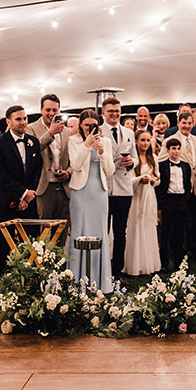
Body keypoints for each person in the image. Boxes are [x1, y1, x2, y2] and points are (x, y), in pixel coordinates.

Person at [0, 105, 43, 274]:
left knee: (31, 244)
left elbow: (37, 170)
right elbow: (0, 175)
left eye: (25, 118)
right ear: (8, 121)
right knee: (4, 246)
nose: (23, 122)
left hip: (29, 202)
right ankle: (2, 287)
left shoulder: (33, 142)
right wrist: (22, 194)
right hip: (5, 202)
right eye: (18, 119)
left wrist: (29, 194)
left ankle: (30, 282)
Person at [67, 109, 116, 292]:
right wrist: (86, 146)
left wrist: (102, 153)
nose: (89, 128)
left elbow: (110, 171)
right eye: (86, 125)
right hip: (81, 192)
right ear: (80, 125)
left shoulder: (106, 141)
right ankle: (76, 281)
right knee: (79, 232)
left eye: (93, 125)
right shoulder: (73, 141)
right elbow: (76, 165)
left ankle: (101, 282)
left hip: (99, 192)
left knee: (100, 233)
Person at [157, 111, 196, 260]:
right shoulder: (170, 141)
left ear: (193, 124)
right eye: (183, 123)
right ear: (178, 123)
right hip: (178, 191)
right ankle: (177, 253)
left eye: (189, 123)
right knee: (177, 225)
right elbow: (160, 162)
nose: (186, 126)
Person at [101, 97, 137, 277]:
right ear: (103, 113)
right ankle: (103, 268)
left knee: (120, 231)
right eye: (110, 111)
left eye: (117, 111)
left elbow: (136, 157)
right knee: (104, 230)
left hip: (124, 187)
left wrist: (131, 162)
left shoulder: (129, 132)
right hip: (105, 188)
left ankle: (117, 271)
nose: (114, 114)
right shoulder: (97, 132)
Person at [29, 94, 72, 244]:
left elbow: (73, 158)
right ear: (41, 110)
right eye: (48, 109)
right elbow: (33, 151)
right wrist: (51, 133)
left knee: (61, 231)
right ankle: (41, 265)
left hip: (64, 187)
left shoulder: (67, 131)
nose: (52, 113)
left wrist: (69, 172)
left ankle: (60, 266)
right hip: (43, 187)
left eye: (55, 109)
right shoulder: (32, 128)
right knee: (43, 233)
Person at [124, 129, 160, 276]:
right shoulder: (132, 159)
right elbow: (128, 180)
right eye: (142, 140)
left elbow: (159, 179)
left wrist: (152, 181)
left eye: (147, 140)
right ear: (136, 142)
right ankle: (134, 266)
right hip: (136, 197)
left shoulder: (154, 158)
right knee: (135, 227)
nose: (145, 143)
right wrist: (140, 179)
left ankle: (148, 265)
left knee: (148, 227)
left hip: (149, 196)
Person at [156, 138, 191, 271]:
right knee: (165, 232)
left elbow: (188, 184)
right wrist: (163, 201)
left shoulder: (185, 166)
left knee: (180, 232)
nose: (176, 151)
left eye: (178, 148)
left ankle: (179, 263)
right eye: (173, 149)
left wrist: (185, 198)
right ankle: (164, 263)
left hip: (181, 200)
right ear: (167, 150)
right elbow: (160, 186)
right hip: (168, 200)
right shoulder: (162, 165)